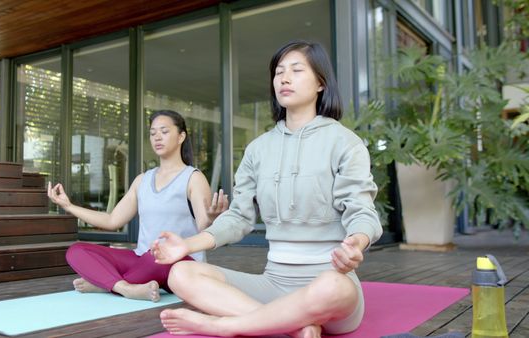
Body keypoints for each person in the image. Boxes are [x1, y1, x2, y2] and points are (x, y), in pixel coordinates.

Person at [151, 40, 382, 337]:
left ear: (321, 83)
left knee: (334, 286)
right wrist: (187, 245)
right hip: (272, 284)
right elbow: (239, 217)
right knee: (181, 273)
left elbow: (362, 209)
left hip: (327, 283)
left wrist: (357, 243)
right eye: (279, 72)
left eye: (296, 70)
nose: (284, 78)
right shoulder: (258, 149)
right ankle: (294, 327)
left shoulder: (345, 142)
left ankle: (224, 326)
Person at [48, 110, 228, 302]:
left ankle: (108, 284)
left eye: (164, 131)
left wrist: (213, 219)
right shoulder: (142, 180)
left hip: (179, 264)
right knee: (77, 251)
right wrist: (69, 206)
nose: (157, 137)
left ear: (181, 136)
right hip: (142, 259)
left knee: (157, 253)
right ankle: (125, 287)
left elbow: (203, 228)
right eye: (152, 133)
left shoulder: (193, 178)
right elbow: (112, 220)